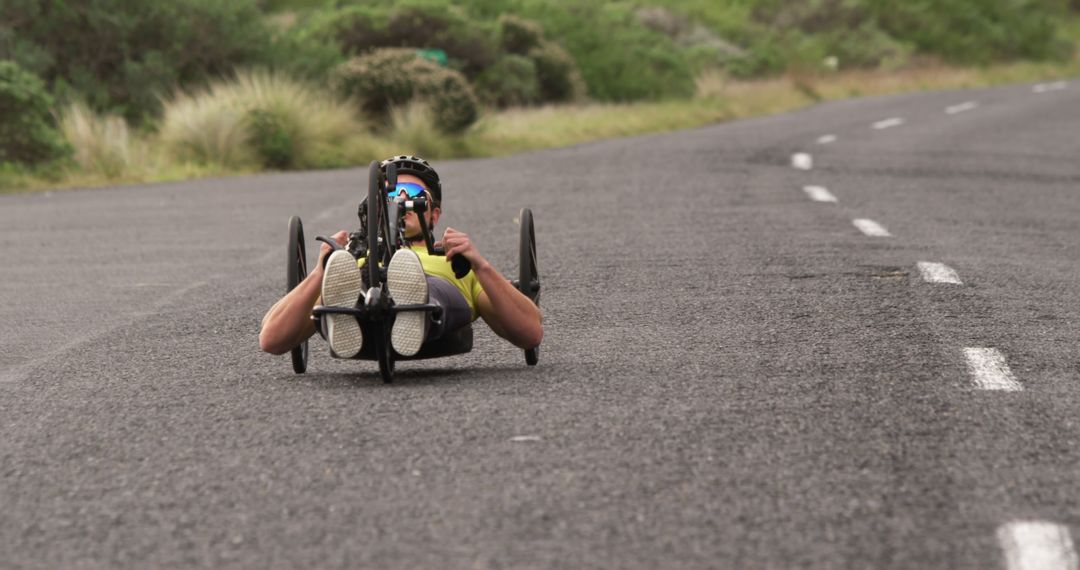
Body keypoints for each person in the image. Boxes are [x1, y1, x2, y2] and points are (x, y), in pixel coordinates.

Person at [259, 155, 543, 360]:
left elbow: (530, 333)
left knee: (426, 286)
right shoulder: (350, 261)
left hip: (437, 292)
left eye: (416, 194)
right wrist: (320, 271)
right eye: (392, 194)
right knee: (346, 279)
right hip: (361, 284)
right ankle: (351, 311)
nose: (403, 200)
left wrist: (480, 265)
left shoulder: (455, 261)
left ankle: (415, 304)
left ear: (434, 214)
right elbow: (271, 339)